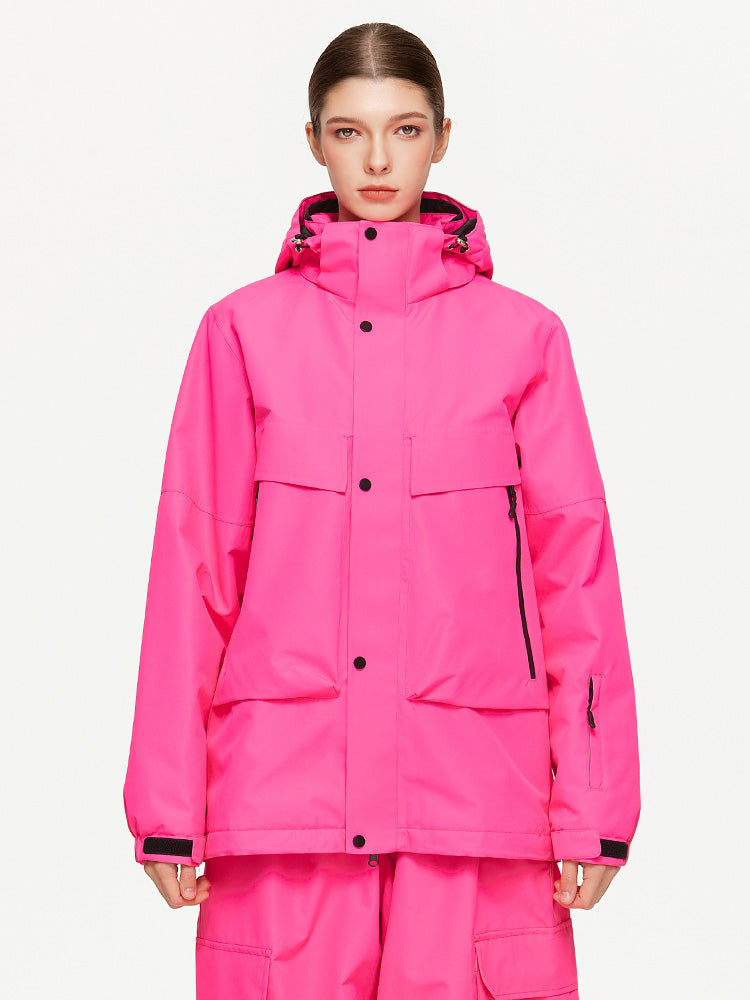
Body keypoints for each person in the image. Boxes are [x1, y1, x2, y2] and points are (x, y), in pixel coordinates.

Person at [123, 21, 640, 1000]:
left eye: (403, 130)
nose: (376, 160)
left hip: (476, 805)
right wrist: (167, 806)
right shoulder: (241, 334)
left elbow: (575, 575)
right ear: (313, 142)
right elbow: (192, 573)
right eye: (349, 131)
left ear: (442, 137)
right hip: (284, 808)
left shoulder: (524, 340)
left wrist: (596, 805)